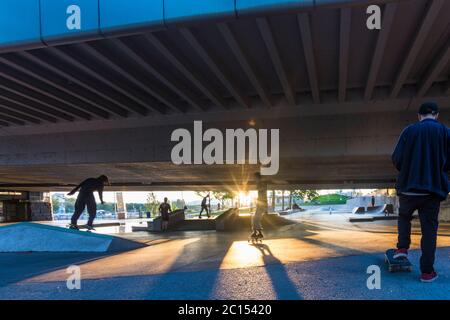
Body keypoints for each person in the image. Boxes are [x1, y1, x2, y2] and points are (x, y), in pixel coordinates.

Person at [391, 102, 450, 283]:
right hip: (432, 191)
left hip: (409, 188)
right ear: (437, 115)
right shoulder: (446, 132)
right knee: (429, 231)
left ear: (419, 116)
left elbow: (396, 158)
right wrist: (439, 171)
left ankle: (402, 249)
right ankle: (427, 272)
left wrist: (409, 170)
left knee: (404, 216)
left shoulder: (409, 131)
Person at [251, 172, 268, 239]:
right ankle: (258, 233)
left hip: (262, 204)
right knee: (255, 218)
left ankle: (257, 233)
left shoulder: (262, 183)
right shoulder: (260, 183)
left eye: (255, 178)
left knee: (255, 218)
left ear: (257, 178)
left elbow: (262, 190)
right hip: (261, 204)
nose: (254, 179)